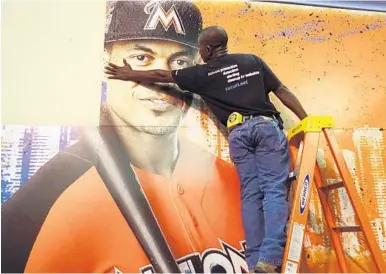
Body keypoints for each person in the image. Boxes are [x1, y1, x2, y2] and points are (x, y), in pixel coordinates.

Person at [1, 2, 247, 273]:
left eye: (179, 63)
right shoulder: (48, 202)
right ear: (104, 62)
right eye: (141, 58)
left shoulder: (233, 179)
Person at [105, 25, 309, 273]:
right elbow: (282, 91)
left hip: (239, 134)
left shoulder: (203, 74)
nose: (199, 53)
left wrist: (130, 74)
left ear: (209, 49)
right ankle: (269, 259)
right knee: (274, 192)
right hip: (266, 129)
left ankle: (256, 261)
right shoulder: (252, 61)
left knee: (251, 196)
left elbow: (162, 76)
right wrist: (305, 119)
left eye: (201, 49)